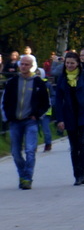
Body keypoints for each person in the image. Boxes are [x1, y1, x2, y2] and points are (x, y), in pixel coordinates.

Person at [51, 51, 84, 186]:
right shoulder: (62, 78)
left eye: (72, 63)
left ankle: (83, 173)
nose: (69, 65)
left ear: (78, 63)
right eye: (67, 63)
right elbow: (58, 100)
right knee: (74, 146)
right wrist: (60, 119)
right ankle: (77, 175)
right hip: (69, 115)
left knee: (82, 144)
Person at [3, 54, 49, 189]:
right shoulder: (12, 82)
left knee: (30, 150)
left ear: (32, 66)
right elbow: (5, 101)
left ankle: (27, 178)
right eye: (22, 64)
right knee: (15, 152)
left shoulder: (38, 83)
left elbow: (46, 103)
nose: (23, 67)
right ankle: (22, 173)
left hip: (30, 121)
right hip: (15, 121)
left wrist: (37, 115)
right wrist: (7, 117)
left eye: (26, 64)